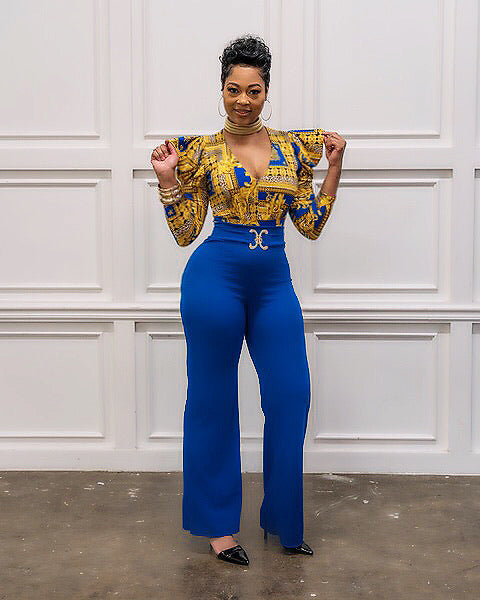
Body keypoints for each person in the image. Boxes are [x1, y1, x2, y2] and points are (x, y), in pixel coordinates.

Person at [151, 34, 345, 566]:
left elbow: (310, 224)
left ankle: (283, 518)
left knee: (290, 394)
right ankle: (218, 527)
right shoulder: (197, 151)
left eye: (253, 90)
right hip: (215, 278)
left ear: (266, 92)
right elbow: (186, 231)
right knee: (212, 398)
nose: (243, 100)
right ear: (221, 90)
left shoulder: (295, 148)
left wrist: (333, 168)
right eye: (233, 89)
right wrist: (168, 181)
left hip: (272, 281)